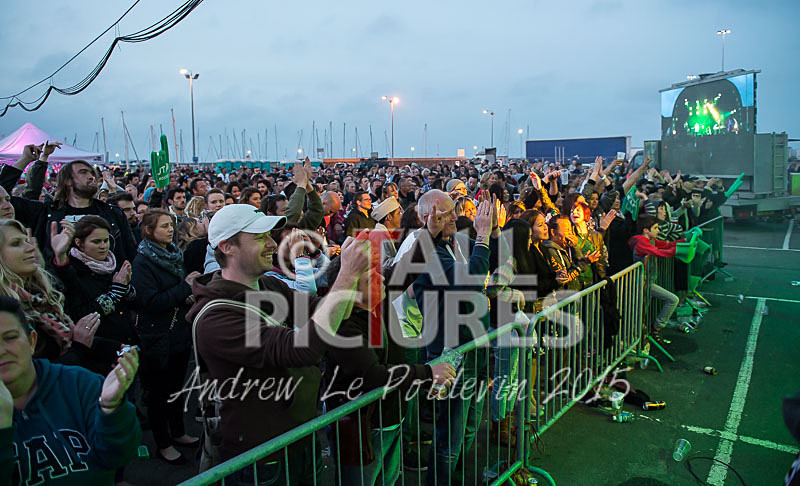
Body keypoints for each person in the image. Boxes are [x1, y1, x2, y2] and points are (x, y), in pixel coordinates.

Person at [187, 204, 370, 483]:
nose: (273, 243)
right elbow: (303, 348)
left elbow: (327, 312)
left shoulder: (270, 286)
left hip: (299, 438)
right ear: (227, 247)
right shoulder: (217, 317)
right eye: (260, 237)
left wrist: (352, 276)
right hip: (260, 458)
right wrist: (345, 275)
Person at [0, 296, 142, 485]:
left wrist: (112, 410)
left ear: (32, 341)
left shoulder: (80, 384)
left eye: (9, 338)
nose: (1, 351)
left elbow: (118, 457)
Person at [131, 209, 201, 465]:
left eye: (171, 225)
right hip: (157, 337)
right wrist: (185, 287)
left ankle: (178, 431)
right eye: (163, 226)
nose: (170, 229)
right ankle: (163, 443)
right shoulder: (143, 262)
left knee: (176, 388)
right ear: (149, 231)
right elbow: (149, 301)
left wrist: (186, 294)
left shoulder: (172, 254)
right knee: (159, 394)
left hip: (178, 333)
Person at [0, 153, 137, 268]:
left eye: (92, 173)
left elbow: (130, 254)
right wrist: (26, 159)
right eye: (83, 172)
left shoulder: (112, 213)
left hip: (109, 289)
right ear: (67, 181)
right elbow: (2, 192)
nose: (91, 177)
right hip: (62, 291)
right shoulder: (45, 213)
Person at [0, 219, 99, 364]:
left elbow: (74, 298)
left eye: (26, 241)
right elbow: (34, 375)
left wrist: (60, 256)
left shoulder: (38, 294)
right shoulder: (7, 314)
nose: (30, 248)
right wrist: (80, 347)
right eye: (16, 243)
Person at [51, 216, 138, 375]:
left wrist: (126, 289)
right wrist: (116, 291)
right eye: (96, 242)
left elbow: (133, 301)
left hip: (124, 348)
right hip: (97, 358)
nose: (103, 246)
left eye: (106, 240)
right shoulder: (74, 272)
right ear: (79, 243)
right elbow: (84, 314)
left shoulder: (112, 264)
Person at [628, 215, 681, 341]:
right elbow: (660, 252)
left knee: (642, 310)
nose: (658, 231)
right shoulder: (641, 242)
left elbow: (665, 245)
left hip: (646, 281)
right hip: (641, 282)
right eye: (655, 228)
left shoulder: (648, 240)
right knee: (672, 300)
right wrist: (678, 250)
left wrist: (683, 242)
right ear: (646, 230)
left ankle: (642, 335)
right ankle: (653, 329)